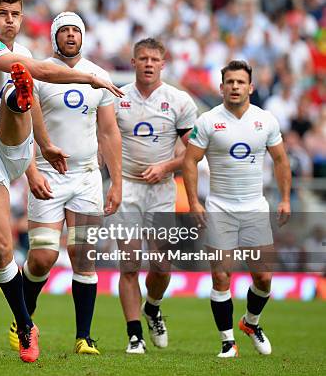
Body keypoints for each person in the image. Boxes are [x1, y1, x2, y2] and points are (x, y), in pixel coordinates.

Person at [0, 0, 121, 363]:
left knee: (18, 87)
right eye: (2, 14)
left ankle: (18, 97)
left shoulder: (24, 56)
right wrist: (87, 79)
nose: (9, 20)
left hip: (16, 146)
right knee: (1, 249)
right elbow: (44, 70)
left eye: (15, 14)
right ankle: (26, 324)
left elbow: (106, 130)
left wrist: (31, 163)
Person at [5, 12, 122, 355]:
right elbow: (22, 129)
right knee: (42, 257)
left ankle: (83, 337)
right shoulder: (36, 73)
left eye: (76, 31)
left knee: (84, 256)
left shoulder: (99, 75)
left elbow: (109, 131)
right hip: (48, 174)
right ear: (55, 37)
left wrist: (115, 181)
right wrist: (32, 172)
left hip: (86, 178)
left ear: (82, 36)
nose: (71, 36)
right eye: (64, 31)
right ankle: (24, 318)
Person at [183, 60, 291, 357]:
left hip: (255, 207)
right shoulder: (207, 121)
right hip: (220, 207)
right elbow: (190, 160)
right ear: (221, 87)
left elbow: (281, 160)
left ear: (250, 87)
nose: (234, 87)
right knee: (220, 277)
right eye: (229, 82)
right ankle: (228, 342)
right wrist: (194, 201)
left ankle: (251, 322)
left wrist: (285, 199)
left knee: (264, 279)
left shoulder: (265, 120)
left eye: (240, 82)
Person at [113, 38, 197, 354]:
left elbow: (193, 150)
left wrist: (166, 166)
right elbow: (105, 138)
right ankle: (134, 335)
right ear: (133, 62)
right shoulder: (116, 97)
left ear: (163, 64)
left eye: (154, 59)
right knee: (130, 263)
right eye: (143, 58)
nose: (149, 63)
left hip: (161, 190)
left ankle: (153, 307)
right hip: (128, 188)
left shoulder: (179, 100)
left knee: (162, 266)